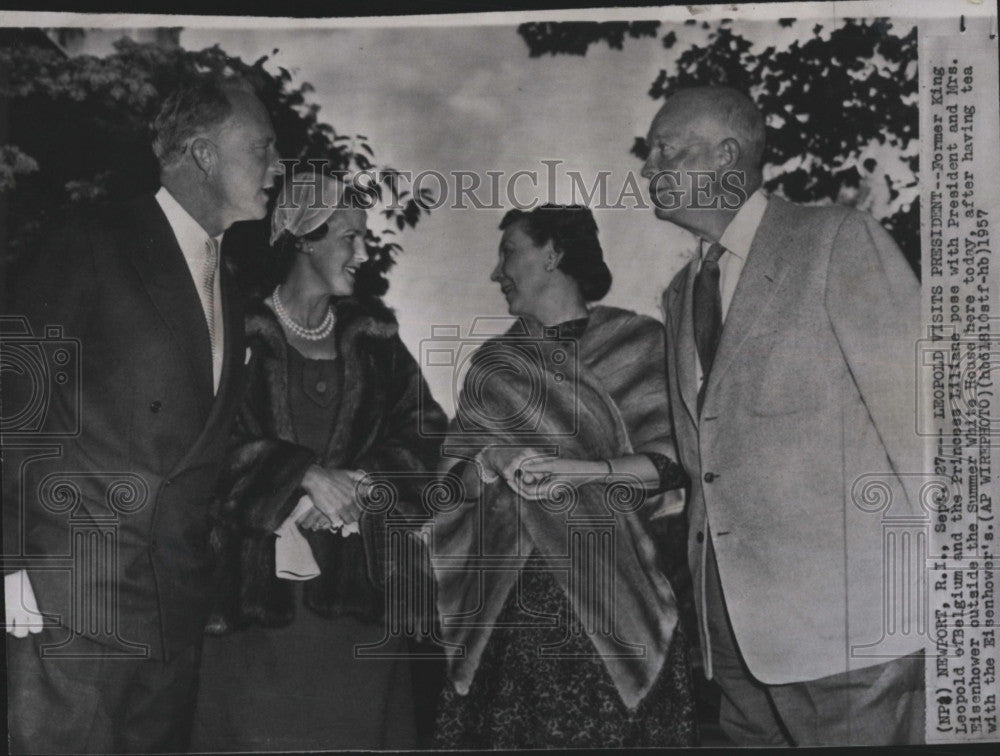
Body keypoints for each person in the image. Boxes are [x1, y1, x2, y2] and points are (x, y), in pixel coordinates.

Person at [1, 76, 281, 753]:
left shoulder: (230, 287)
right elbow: (15, 402)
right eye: (263, 148)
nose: (277, 169)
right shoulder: (93, 239)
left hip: (171, 613)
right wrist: (7, 562)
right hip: (71, 603)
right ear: (204, 154)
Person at [642, 86, 925, 746]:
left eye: (666, 150)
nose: (648, 168)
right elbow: (702, 464)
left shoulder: (835, 241)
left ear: (727, 155)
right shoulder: (680, 294)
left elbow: (926, 426)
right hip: (736, 643)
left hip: (853, 633)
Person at [189, 171, 447, 751]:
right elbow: (195, 448)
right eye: (348, 236)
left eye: (364, 238)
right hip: (255, 610)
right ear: (303, 236)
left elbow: (429, 439)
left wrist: (366, 481)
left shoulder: (378, 340)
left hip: (360, 613)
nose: (362, 252)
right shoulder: (231, 331)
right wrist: (298, 474)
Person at [429, 204, 697, 749]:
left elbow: (673, 465)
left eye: (509, 253)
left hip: (616, 595)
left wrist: (582, 473)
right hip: (511, 610)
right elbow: (447, 488)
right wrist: (493, 459)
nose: (496, 273)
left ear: (553, 253)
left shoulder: (639, 343)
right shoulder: (494, 364)